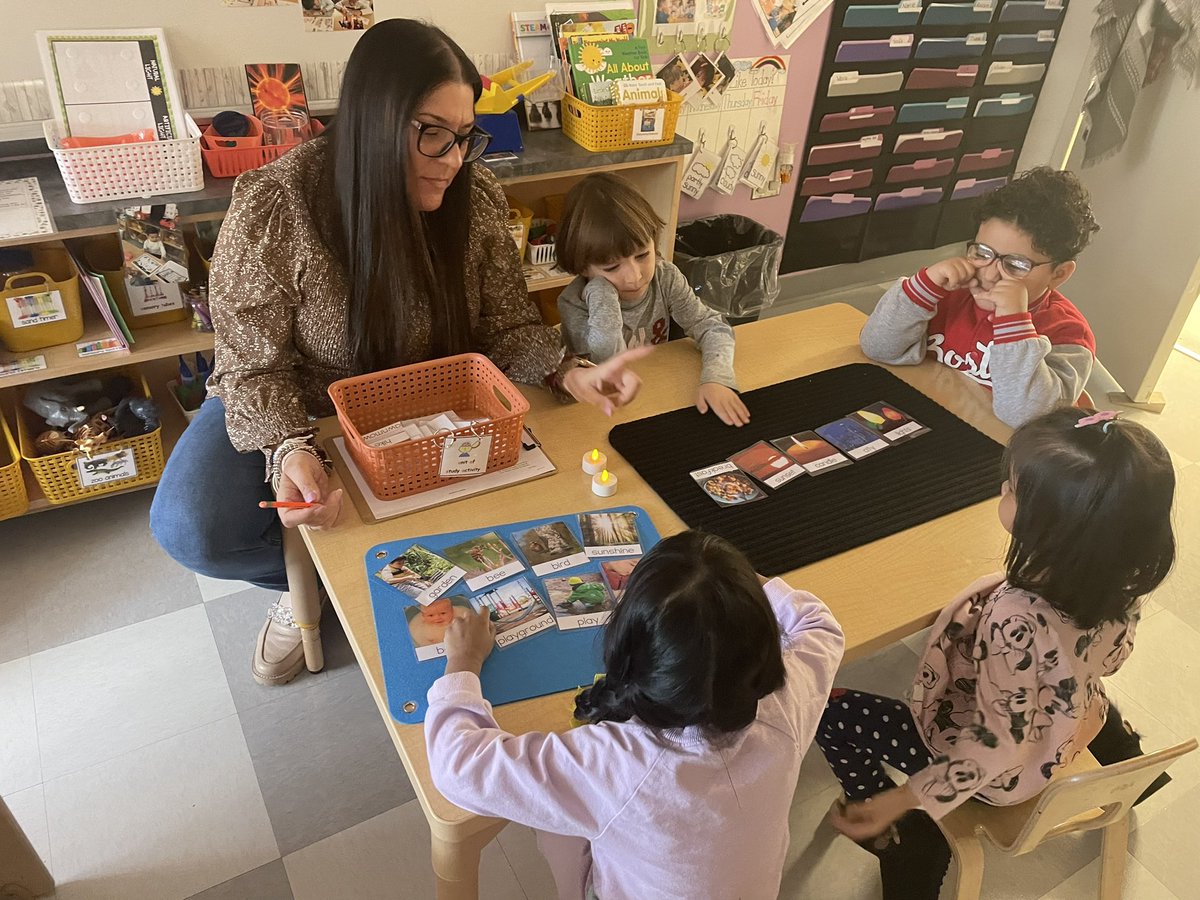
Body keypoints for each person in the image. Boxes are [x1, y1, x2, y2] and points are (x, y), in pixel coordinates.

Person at [150, 20, 650, 687]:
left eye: (464, 135)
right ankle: (308, 583)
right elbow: (250, 363)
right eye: (432, 132)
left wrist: (569, 370)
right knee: (193, 526)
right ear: (373, 121)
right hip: (304, 402)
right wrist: (290, 451)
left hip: (434, 403)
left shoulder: (474, 199)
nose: (453, 159)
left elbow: (505, 326)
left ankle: (353, 572)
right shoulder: (279, 204)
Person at [815, 408, 1176, 899]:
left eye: (1013, 490)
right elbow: (1111, 660)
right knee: (1084, 686)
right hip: (1069, 729)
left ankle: (901, 838)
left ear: (1054, 530)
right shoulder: (1122, 580)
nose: (1003, 490)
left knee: (833, 712)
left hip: (1000, 776)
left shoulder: (1014, 618)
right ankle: (1129, 761)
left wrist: (900, 799)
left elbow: (995, 745)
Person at [424, 530, 845, 900]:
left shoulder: (617, 763)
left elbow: (458, 766)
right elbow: (820, 625)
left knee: (556, 831)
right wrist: (727, 584)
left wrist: (463, 661)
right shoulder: (787, 705)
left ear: (628, 649)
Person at [859, 167, 1100, 428]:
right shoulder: (948, 292)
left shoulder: (1068, 334)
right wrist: (923, 286)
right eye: (983, 252)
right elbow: (877, 348)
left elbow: (1028, 418)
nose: (990, 274)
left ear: (1059, 274)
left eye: (1016, 265)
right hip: (921, 418)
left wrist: (1014, 323)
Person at [556, 173, 751, 427]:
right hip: (603, 413)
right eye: (612, 267)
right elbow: (607, 368)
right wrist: (601, 293)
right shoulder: (574, 303)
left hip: (658, 390)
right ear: (584, 268)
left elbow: (713, 326)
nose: (635, 277)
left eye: (642, 255)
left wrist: (717, 378)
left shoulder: (665, 276)